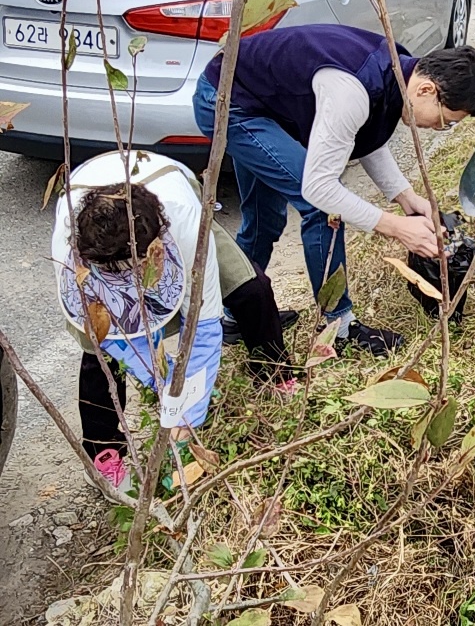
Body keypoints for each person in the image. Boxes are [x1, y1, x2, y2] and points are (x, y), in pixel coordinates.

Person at [193, 26, 475, 358]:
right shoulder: (352, 89)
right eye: (445, 120)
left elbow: (364, 137)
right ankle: (340, 327)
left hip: (260, 102)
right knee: (320, 208)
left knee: (265, 217)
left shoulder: (396, 68)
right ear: (426, 89)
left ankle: (236, 314)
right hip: (227, 102)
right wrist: (396, 227)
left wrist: (407, 198)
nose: (438, 128)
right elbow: (319, 187)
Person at [52, 150, 295, 490]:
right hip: (91, 221)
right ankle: (103, 449)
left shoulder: (184, 220)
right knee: (98, 356)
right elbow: (109, 337)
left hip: (173, 192)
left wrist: (186, 413)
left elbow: (205, 325)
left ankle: (275, 374)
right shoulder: (68, 237)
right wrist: (160, 384)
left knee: (251, 289)